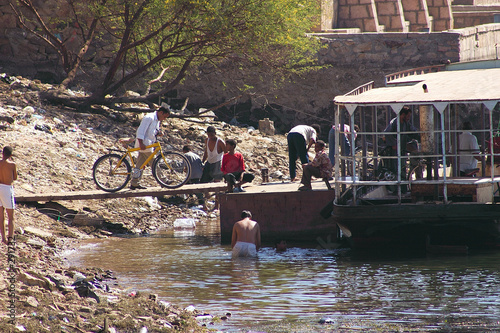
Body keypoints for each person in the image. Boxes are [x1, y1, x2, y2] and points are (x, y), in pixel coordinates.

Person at [130, 105, 170, 190]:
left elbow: (153, 131)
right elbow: (141, 131)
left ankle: (134, 183)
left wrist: (159, 133)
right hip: (144, 145)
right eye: (164, 116)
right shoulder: (149, 117)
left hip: (148, 145)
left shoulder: (157, 120)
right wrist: (141, 143)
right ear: (161, 112)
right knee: (154, 163)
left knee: (140, 164)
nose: (164, 119)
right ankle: (163, 181)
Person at [382, 106, 420, 179]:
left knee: (403, 166)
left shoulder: (406, 124)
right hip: (393, 150)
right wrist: (393, 144)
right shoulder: (394, 123)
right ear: (403, 114)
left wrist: (421, 136)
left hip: (401, 149)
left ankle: (404, 182)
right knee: (395, 167)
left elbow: (413, 131)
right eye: (408, 116)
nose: (409, 118)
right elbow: (386, 133)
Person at [0, 146, 17, 245]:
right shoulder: (12, 165)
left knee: (1, 215)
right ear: (11, 155)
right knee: (11, 216)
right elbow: (14, 177)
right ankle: (10, 238)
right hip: (7, 188)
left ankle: (3, 237)